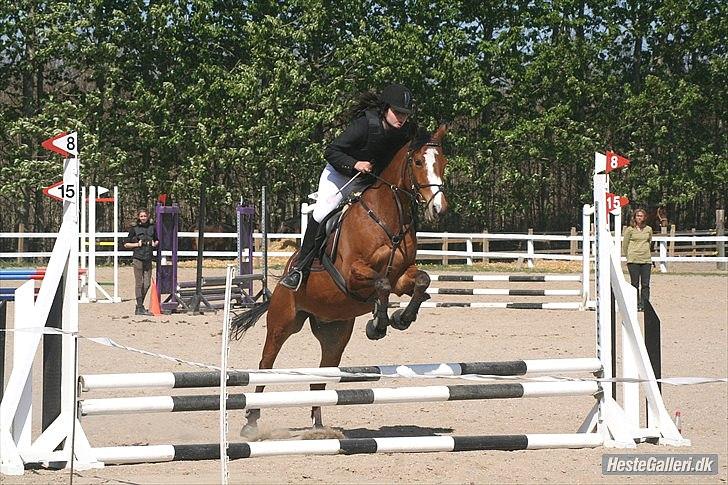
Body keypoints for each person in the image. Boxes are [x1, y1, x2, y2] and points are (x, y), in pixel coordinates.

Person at [280, 83, 417, 291]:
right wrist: (355, 164)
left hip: (370, 180)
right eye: (397, 112)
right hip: (340, 174)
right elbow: (331, 151)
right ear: (385, 108)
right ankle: (300, 269)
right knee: (321, 213)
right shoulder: (364, 125)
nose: (401, 118)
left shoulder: (404, 130)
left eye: (405, 114)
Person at [124, 209, 159, 315]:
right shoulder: (134, 229)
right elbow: (126, 244)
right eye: (141, 216)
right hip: (138, 258)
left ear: (148, 216)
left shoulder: (152, 227)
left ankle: (139, 305)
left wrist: (154, 243)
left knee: (147, 283)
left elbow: (157, 240)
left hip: (148, 258)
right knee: (139, 283)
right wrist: (136, 245)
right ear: (139, 217)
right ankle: (139, 307)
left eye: (145, 216)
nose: (143, 218)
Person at [622, 208, 654, 311]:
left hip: (646, 259)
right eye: (637, 216)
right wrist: (628, 256)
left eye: (641, 216)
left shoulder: (648, 229)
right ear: (634, 217)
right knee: (634, 283)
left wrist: (646, 252)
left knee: (645, 284)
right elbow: (625, 244)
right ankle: (634, 303)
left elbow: (649, 242)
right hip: (633, 259)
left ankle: (645, 304)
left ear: (645, 217)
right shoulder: (630, 230)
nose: (639, 218)